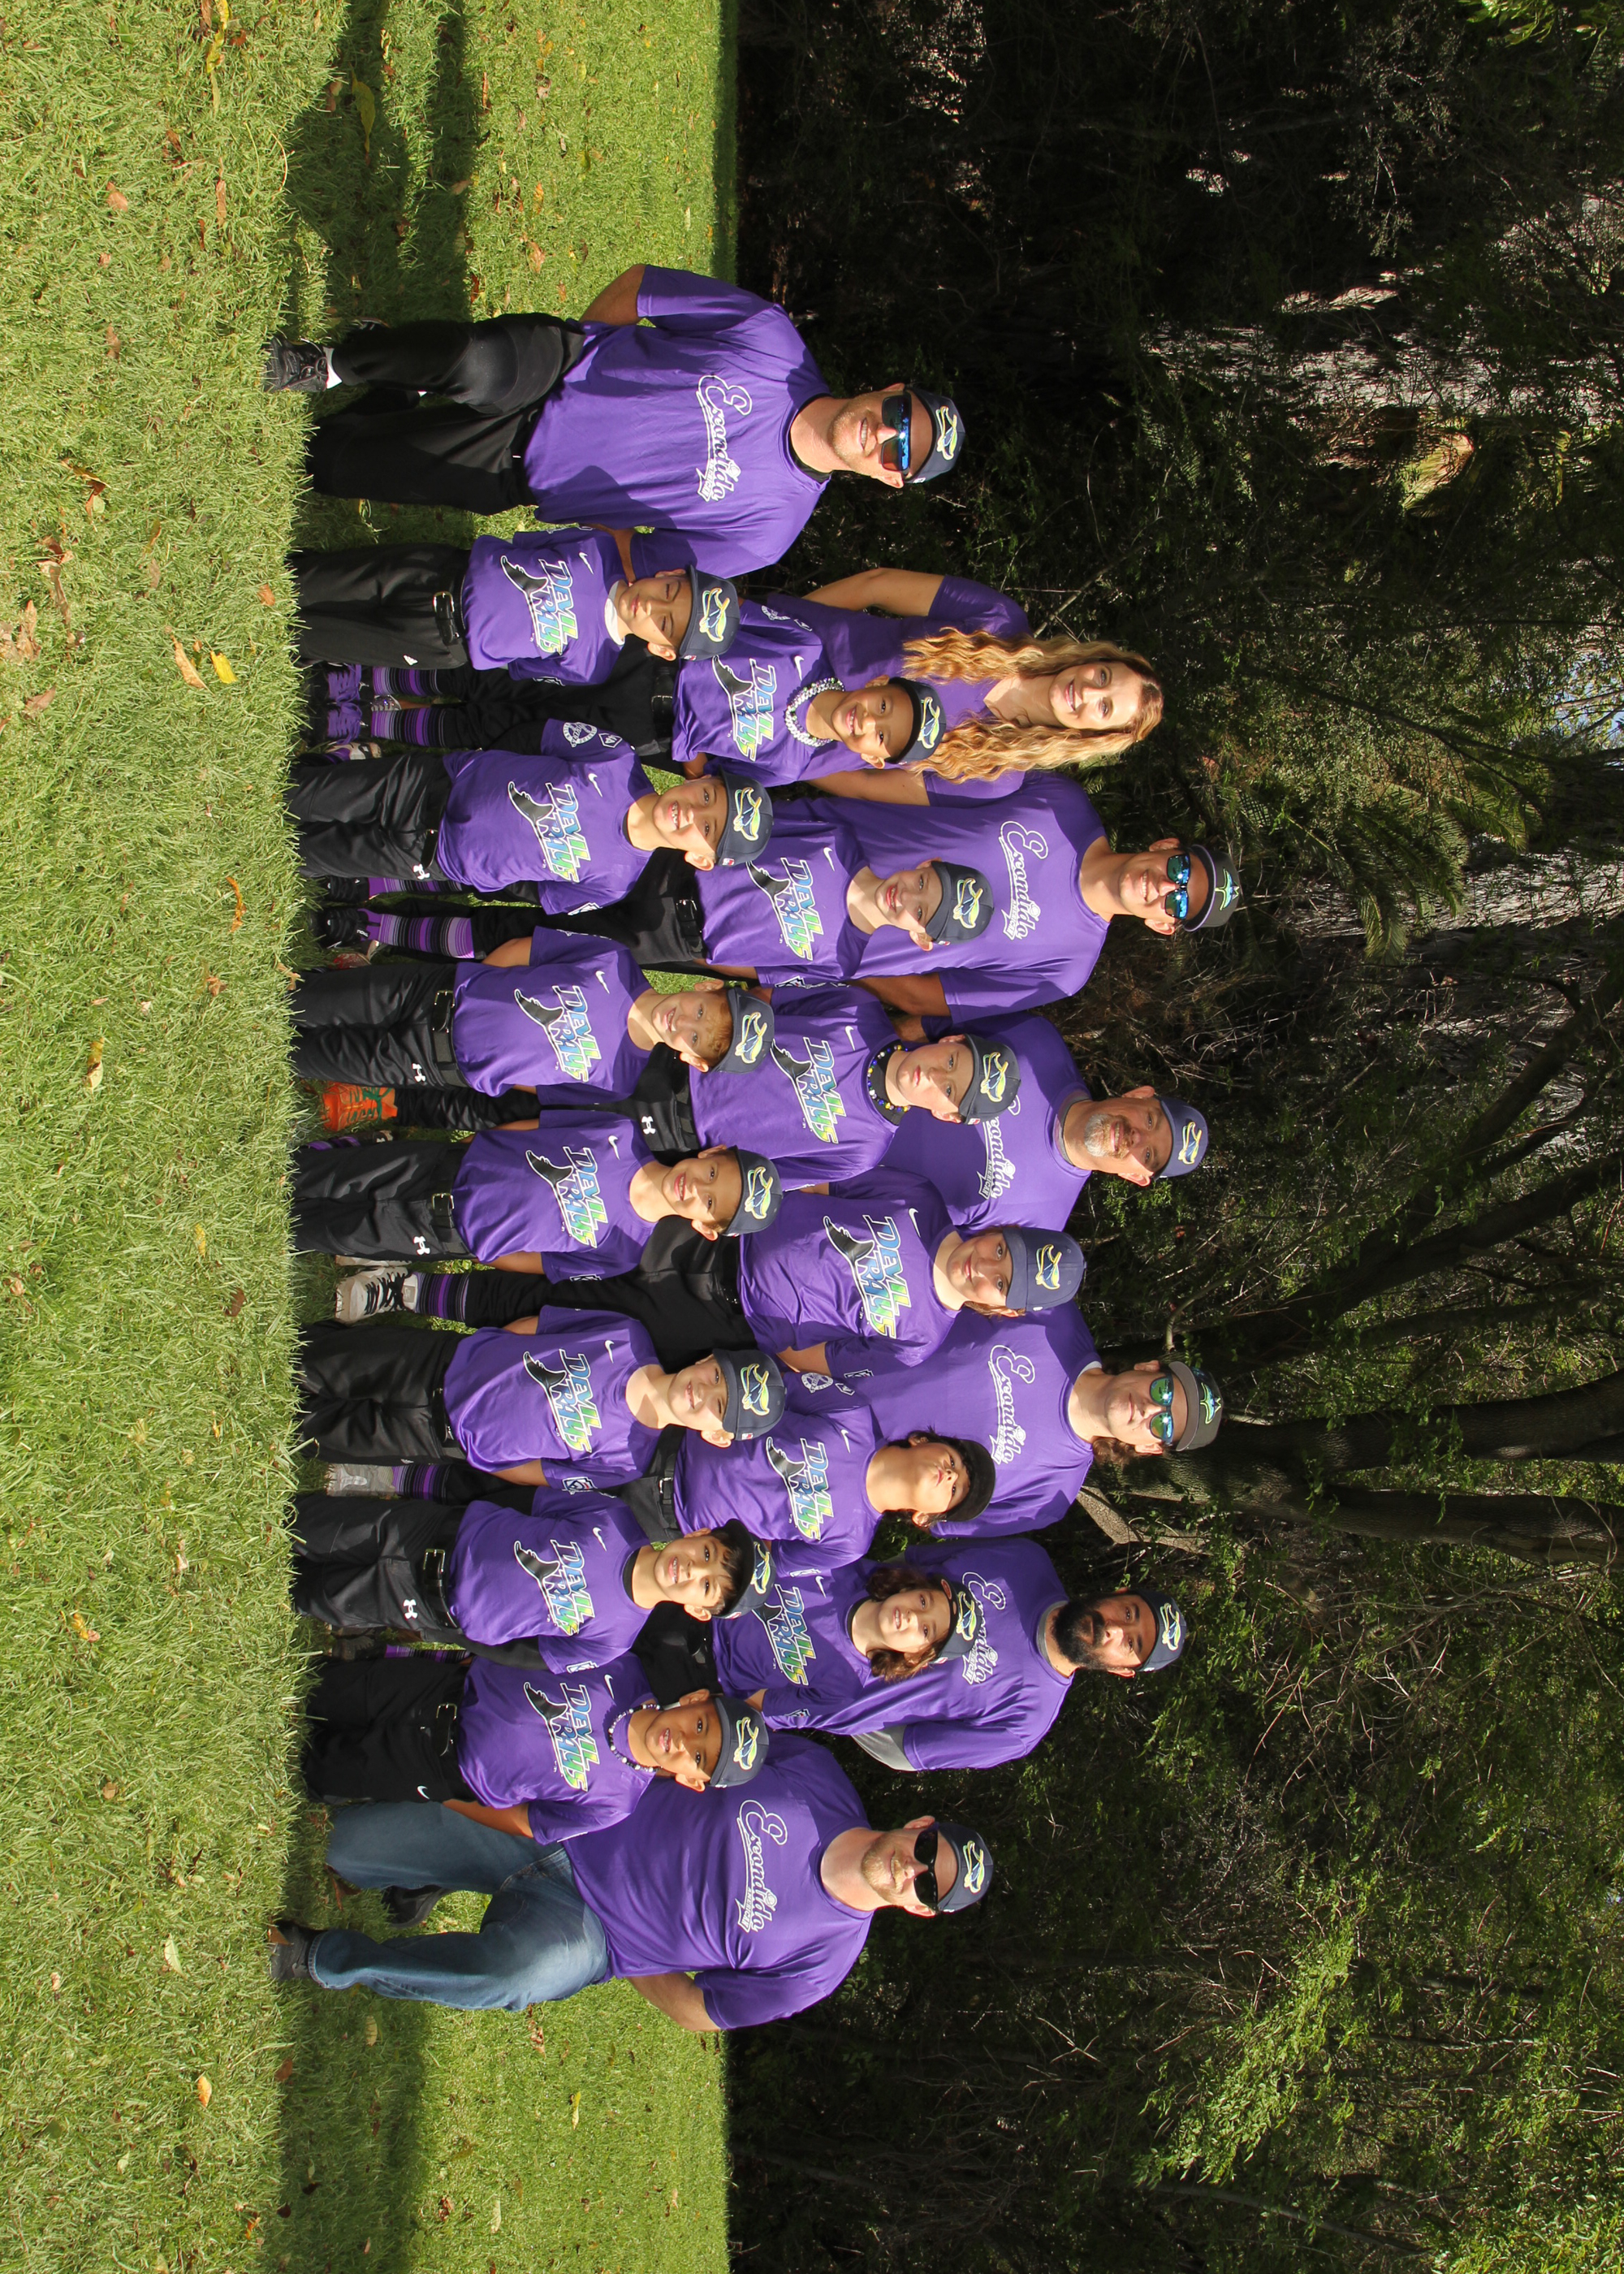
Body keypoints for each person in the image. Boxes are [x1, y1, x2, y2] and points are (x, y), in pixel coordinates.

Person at [268, 269, 965, 573]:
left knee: (328, 464)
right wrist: (578, 350)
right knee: (473, 361)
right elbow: (640, 289)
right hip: (555, 368)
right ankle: (330, 363)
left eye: (900, 453)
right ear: (889, 389)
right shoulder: (770, 337)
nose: (886, 435)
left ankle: (398, 383)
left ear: (890, 480)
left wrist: (589, 502)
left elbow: (639, 560)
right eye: (897, 416)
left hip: (520, 471)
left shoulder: (769, 533)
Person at [268, 1736, 991, 2023]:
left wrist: (629, 1949)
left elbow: (698, 2010)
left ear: (921, 1910)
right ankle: (439, 1871)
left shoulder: (823, 1963)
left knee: (516, 1976)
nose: (914, 1869)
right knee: (342, 1843)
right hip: (570, 1824)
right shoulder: (819, 1776)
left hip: (587, 1933)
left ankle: (323, 1959)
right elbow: (718, 1735)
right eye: (928, 1851)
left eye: (929, 1886)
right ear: (920, 1822)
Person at [519, 1169, 1087, 1386]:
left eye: (1001, 1282)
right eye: (1001, 1250)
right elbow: (819, 1184)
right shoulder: (922, 1197)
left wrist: (763, 1323)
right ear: (1003, 1229)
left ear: (1005, 1309)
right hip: (720, 1235)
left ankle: (480, 1303)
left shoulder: (921, 1341)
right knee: (581, 1245)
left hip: (723, 1318)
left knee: (583, 1322)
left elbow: (820, 1359)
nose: (984, 1266)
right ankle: (491, 1237)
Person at [823, 782, 1241, 1020]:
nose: (1166, 886)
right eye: (1180, 870)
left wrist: (837, 964)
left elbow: (924, 999)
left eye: (1179, 904)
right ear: (1165, 846)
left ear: (1163, 925)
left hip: (814, 938)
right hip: (820, 838)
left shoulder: (1067, 970)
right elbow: (915, 784)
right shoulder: (1062, 801)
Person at [740, 568, 1163, 801]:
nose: (1089, 692)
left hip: (766, 738)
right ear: (1094, 659)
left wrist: (791, 762)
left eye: (1104, 708)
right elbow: (877, 586)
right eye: (1104, 676)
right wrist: (780, 628)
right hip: (761, 648)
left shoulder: (996, 773)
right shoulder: (998, 620)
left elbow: (866, 785)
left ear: (1094, 736)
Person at [295, 1126, 782, 1313]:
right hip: (446, 1166)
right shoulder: (619, 1132)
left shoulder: (624, 1250)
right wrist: (478, 1147)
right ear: (709, 1153)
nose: (696, 1188)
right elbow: (537, 1129)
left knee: (325, 1230)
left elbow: (539, 1263)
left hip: (450, 1233)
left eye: (710, 1203)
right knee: (325, 1174)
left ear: (706, 1228)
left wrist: (484, 1249)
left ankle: (304, 1228)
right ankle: (294, 1171)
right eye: (712, 1174)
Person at [301, 1642, 771, 1837]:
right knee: (315, 1691)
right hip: (438, 1691)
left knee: (317, 1768)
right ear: (694, 1698)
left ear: (691, 1781)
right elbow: (533, 1652)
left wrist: (452, 1797)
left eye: (699, 1759)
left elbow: (528, 1821)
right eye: (701, 1725)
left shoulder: (615, 1804)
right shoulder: (621, 1666)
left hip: (441, 1769)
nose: (686, 1742)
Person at [289, 934, 772, 1120]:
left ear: (691, 1059)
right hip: (435, 992)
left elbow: (539, 1085)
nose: (683, 1022)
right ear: (707, 987)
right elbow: (528, 951)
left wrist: (489, 1064)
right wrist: (478, 986)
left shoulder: (619, 1080)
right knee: (308, 1003)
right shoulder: (615, 960)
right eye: (701, 1011)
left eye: (695, 1037)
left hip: (438, 1062)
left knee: (310, 1057)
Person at [291, 733, 767, 918]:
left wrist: (480, 869)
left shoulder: (615, 884)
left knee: (304, 856)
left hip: (433, 857)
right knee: (301, 796)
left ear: (700, 858)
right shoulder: (616, 757)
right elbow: (535, 736)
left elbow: (537, 893)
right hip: (431, 785)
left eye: (708, 829)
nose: (694, 813)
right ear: (700, 778)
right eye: (708, 797)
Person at [845, 1310, 1226, 1537]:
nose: (1149, 1409)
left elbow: (938, 1521)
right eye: (1163, 1391)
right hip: (832, 1356)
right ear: (1148, 1367)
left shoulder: (1047, 1498)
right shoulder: (1054, 1315)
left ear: (1150, 1447)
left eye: (1164, 1425)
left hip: (837, 1468)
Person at [294, 1308, 787, 1484]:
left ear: (716, 1436)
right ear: (708, 1359)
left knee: (313, 1434)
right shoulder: (628, 1335)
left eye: (719, 1406)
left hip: (442, 1437)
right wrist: (486, 1354)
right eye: (717, 1375)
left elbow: (542, 1472)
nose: (704, 1391)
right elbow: (543, 1327)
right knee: (318, 1360)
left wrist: (483, 1453)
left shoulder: (630, 1461)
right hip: (443, 1363)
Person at [538, 802, 996, 987]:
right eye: (923, 885)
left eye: (922, 912)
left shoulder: (842, 961)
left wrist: (701, 950)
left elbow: (758, 970)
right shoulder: (836, 840)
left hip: (673, 937)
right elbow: (753, 829)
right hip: (673, 868)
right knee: (555, 867)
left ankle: (493, 935)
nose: (908, 897)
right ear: (925, 864)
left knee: (557, 944)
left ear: (921, 939)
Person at [289, 1483, 764, 1656]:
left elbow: (527, 1651)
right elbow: (528, 1504)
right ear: (699, 1534)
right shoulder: (613, 1516)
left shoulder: (615, 1640)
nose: (692, 1571)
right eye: (707, 1555)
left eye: (706, 1587)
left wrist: (462, 1628)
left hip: (436, 1605)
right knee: (312, 1525)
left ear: (698, 1611)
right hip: (433, 1533)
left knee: (319, 1596)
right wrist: (463, 1521)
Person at [627, 984, 1024, 1187]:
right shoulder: (859, 1008)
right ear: (951, 1040)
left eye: (949, 1091)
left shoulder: (864, 1152)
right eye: (952, 1062)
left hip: (679, 1137)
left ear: (947, 1115)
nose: (936, 1075)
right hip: (674, 1056)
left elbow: (762, 1176)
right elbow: (763, 1000)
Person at [883, 1009, 1210, 1230]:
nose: (1138, 1137)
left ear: (1136, 1177)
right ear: (1139, 1095)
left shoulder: (1040, 1225)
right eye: (1151, 1121)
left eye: (1149, 1155)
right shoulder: (1038, 1043)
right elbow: (929, 1026)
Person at [289, 530, 738, 676]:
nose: (653, 607)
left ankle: (306, 638)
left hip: (440, 641)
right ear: (667, 575)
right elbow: (526, 545)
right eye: (669, 593)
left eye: (666, 624)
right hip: (436, 571)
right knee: (306, 580)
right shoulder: (598, 547)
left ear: (663, 649)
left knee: (305, 636)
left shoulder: (594, 664)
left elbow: (526, 667)